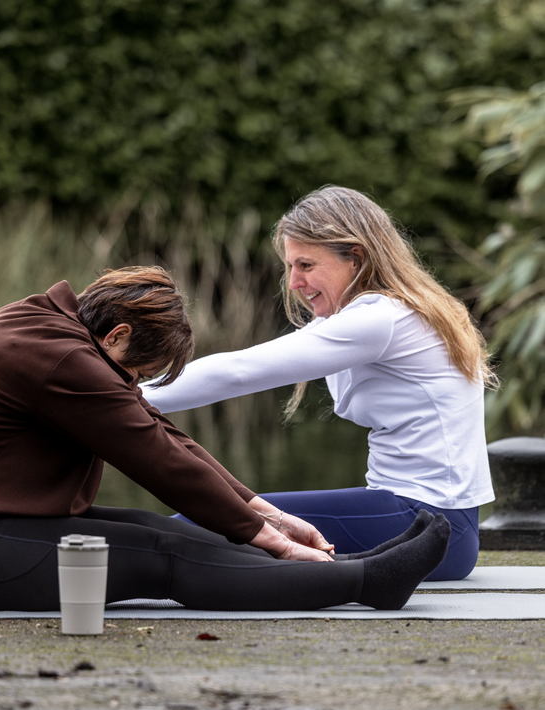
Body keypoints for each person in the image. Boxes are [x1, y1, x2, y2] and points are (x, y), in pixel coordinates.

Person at [0, 265, 450, 613]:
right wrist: (268, 539)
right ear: (117, 336)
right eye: (137, 376)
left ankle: (342, 564)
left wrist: (260, 511)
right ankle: (366, 583)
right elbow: (156, 458)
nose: (133, 387)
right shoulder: (58, 358)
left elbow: (159, 433)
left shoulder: (48, 330)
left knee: (162, 529)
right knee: (166, 556)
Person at [144, 187, 495, 581]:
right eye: (291, 266)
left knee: (198, 524)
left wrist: (118, 399)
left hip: (430, 527)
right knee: (198, 521)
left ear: (356, 258)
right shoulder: (377, 314)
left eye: (306, 265)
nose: (294, 282)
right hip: (431, 523)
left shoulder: (380, 318)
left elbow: (237, 371)